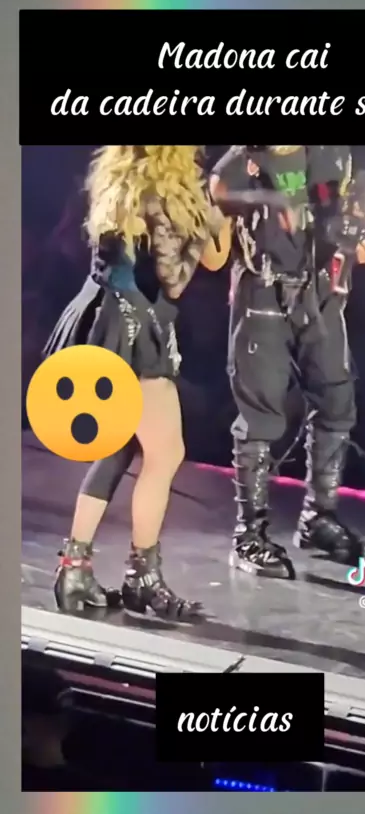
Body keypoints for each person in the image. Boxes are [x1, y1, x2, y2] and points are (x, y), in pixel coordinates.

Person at [44, 145, 225, 621]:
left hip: (108, 315)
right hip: (134, 327)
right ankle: (141, 578)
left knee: (119, 447)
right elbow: (177, 277)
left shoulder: (122, 179)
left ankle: (75, 569)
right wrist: (207, 219)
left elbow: (212, 257)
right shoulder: (161, 195)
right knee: (165, 454)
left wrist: (211, 216)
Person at [210, 146, 365, 579]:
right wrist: (269, 201)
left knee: (336, 399)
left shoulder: (333, 152)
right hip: (264, 289)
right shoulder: (250, 153)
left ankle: (318, 516)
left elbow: (342, 210)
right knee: (261, 413)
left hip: (322, 291)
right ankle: (249, 534)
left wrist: (362, 236)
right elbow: (217, 193)